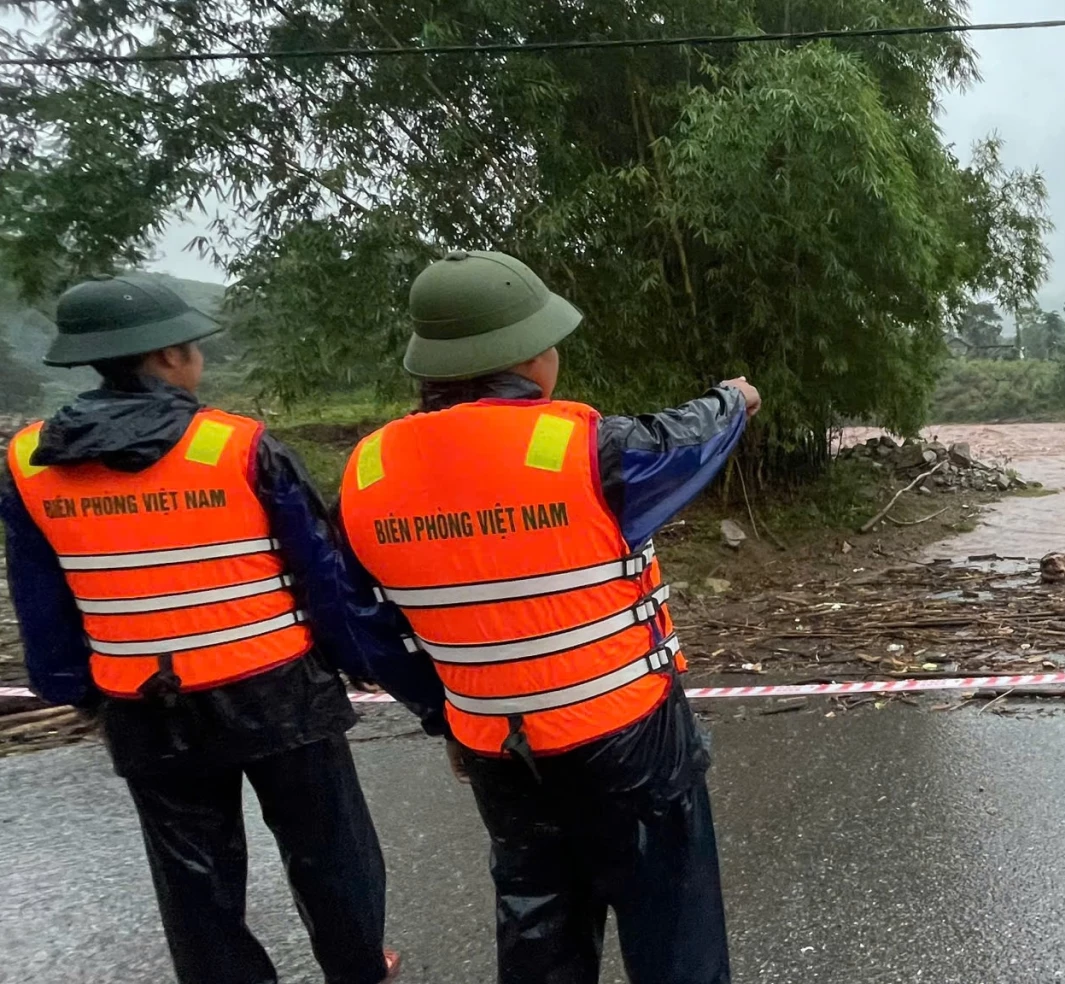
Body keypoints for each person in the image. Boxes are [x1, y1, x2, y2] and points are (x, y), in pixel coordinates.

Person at [337, 250, 757, 984]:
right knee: (672, 931)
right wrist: (734, 401)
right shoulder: (584, 450)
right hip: (629, 738)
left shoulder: (368, 473)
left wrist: (448, 712)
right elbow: (683, 443)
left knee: (539, 930)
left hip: (500, 749)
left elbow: (368, 629)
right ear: (530, 356)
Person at [0, 275, 404, 983]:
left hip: (144, 703)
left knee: (194, 876)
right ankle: (358, 966)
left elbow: (41, 596)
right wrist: (355, 658)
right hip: (279, 690)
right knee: (330, 851)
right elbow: (318, 569)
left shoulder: (31, 462)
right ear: (170, 356)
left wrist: (74, 687)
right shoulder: (238, 447)